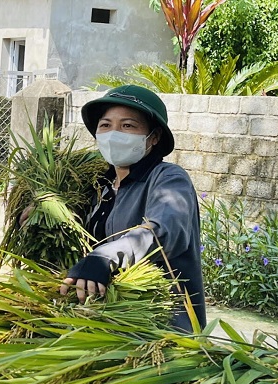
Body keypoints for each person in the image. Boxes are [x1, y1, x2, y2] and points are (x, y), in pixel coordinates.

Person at [58, 85, 206, 332]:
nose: (114, 134)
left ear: (154, 137)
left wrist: (105, 258)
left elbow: (163, 232)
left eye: (127, 125)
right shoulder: (99, 186)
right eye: (105, 125)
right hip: (102, 320)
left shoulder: (168, 178)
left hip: (158, 328)